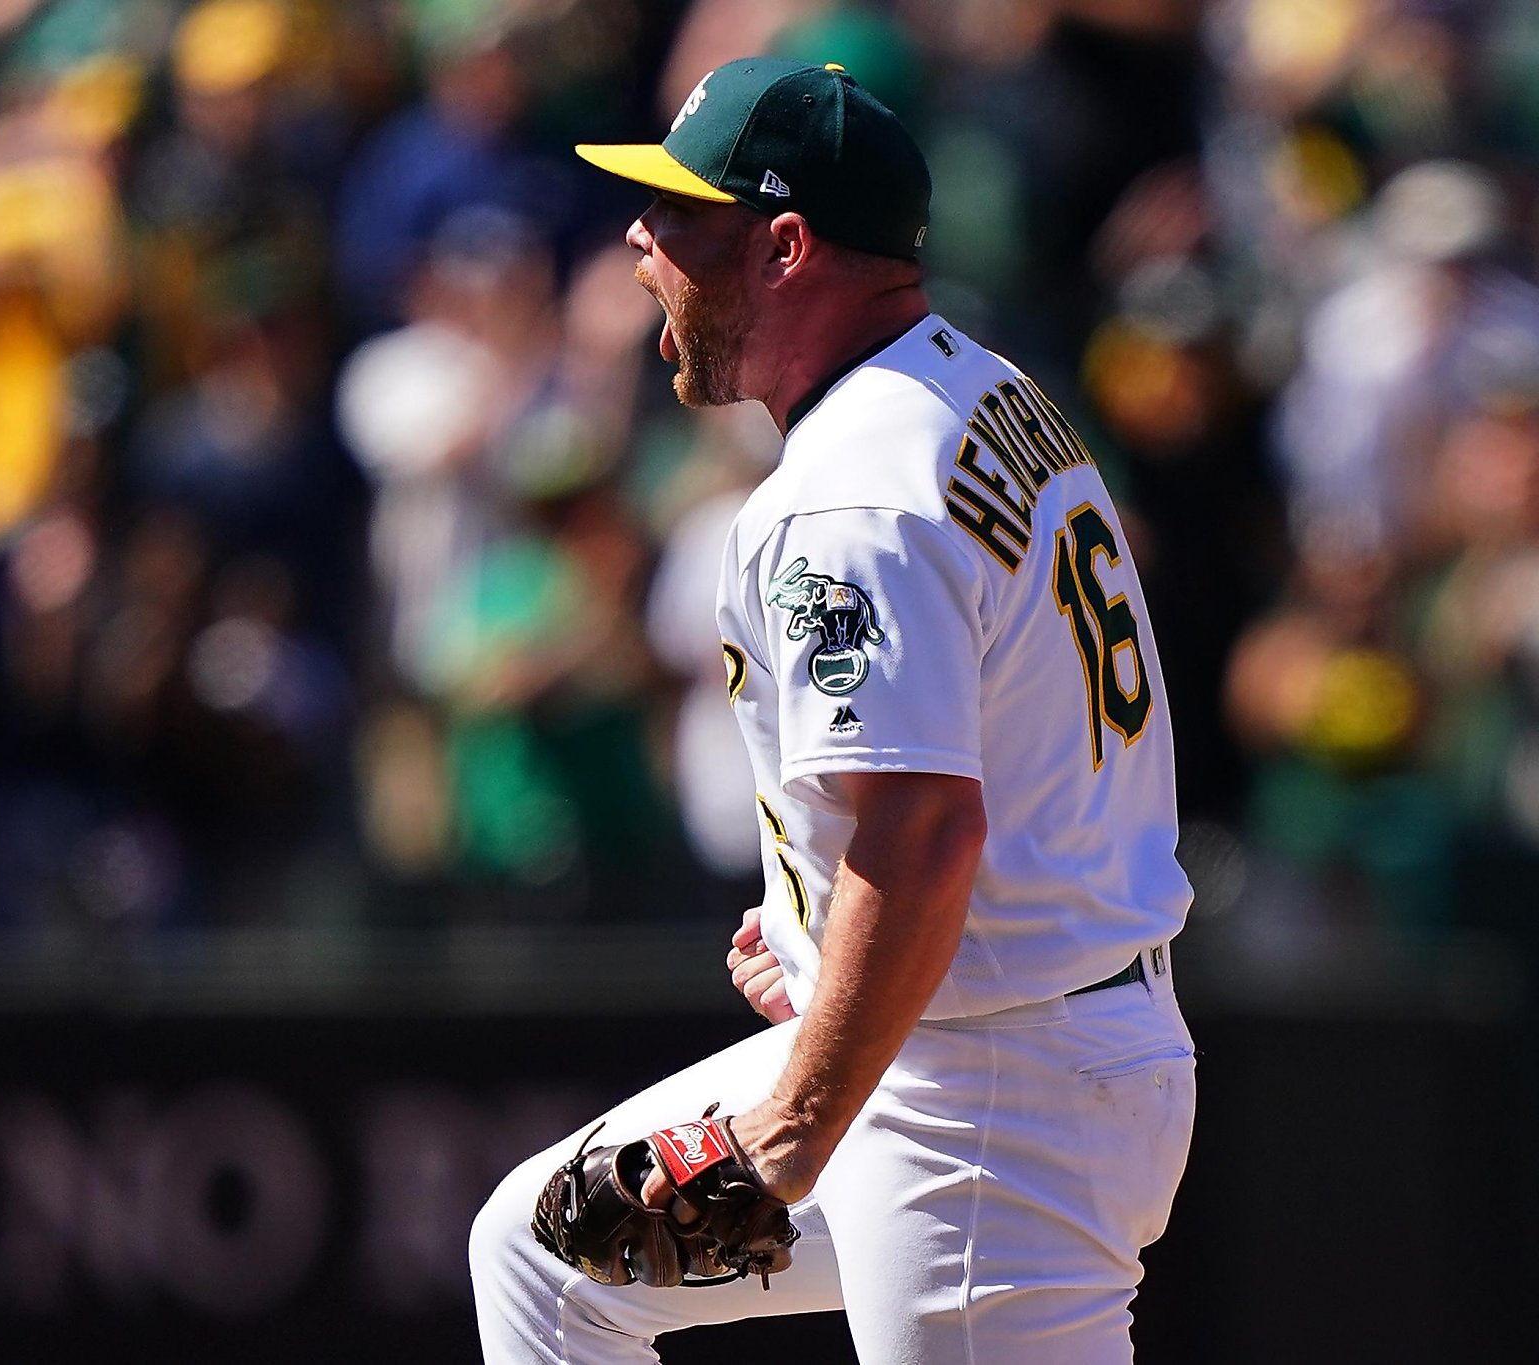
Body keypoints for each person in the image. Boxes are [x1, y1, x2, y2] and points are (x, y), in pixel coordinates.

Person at [469, 57, 1196, 1364]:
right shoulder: (979, 389)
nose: (641, 237)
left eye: (683, 214)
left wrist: (792, 1129)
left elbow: (923, 836)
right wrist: (819, 943)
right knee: (543, 1251)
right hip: (995, 1035)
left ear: (786, 246)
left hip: (990, 1092)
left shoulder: (847, 494)